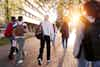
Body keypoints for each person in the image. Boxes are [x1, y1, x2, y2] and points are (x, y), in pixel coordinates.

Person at [73, 1, 100, 67]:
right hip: (98, 50)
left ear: (86, 9)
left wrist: (75, 51)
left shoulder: (82, 19)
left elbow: (79, 36)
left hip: (84, 49)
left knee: (83, 64)